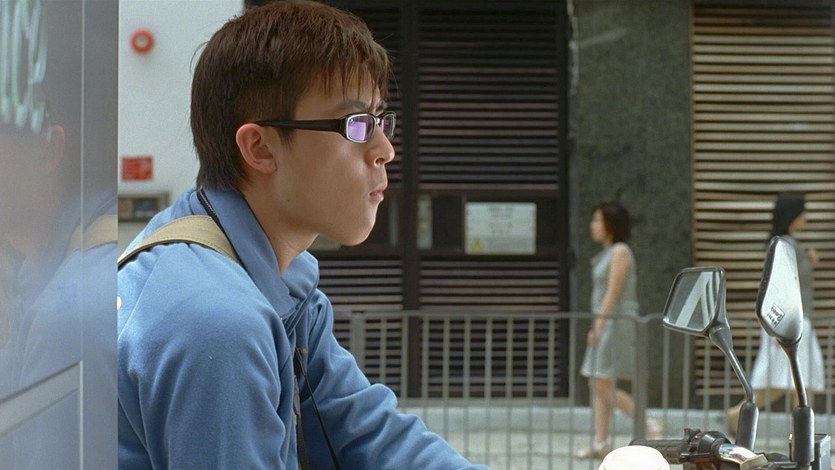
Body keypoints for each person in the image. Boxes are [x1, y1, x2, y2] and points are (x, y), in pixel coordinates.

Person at [117, 2, 486, 468]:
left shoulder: (280, 283)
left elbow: (368, 433)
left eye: (379, 120)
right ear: (260, 147)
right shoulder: (216, 323)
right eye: (355, 125)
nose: (385, 150)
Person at [726, 192, 825, 435]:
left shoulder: (787, 244)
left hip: (795, 322)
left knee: (798, 382)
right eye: (803, 211)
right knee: (791, 381)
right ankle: (738, 417)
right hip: (790, 323)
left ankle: (801, 436)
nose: (806, 217)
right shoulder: (786, 245)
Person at [575, 201, 663, 459]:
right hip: (607, 321)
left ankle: (648, 422)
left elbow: (613, 294)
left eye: (597, 220)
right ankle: (601, 441)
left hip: (616, 323)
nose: (593, 225)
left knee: (601, 381)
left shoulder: (621, 252)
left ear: (610, 225)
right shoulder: (608, 252)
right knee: (598, 380)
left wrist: (598, 326)